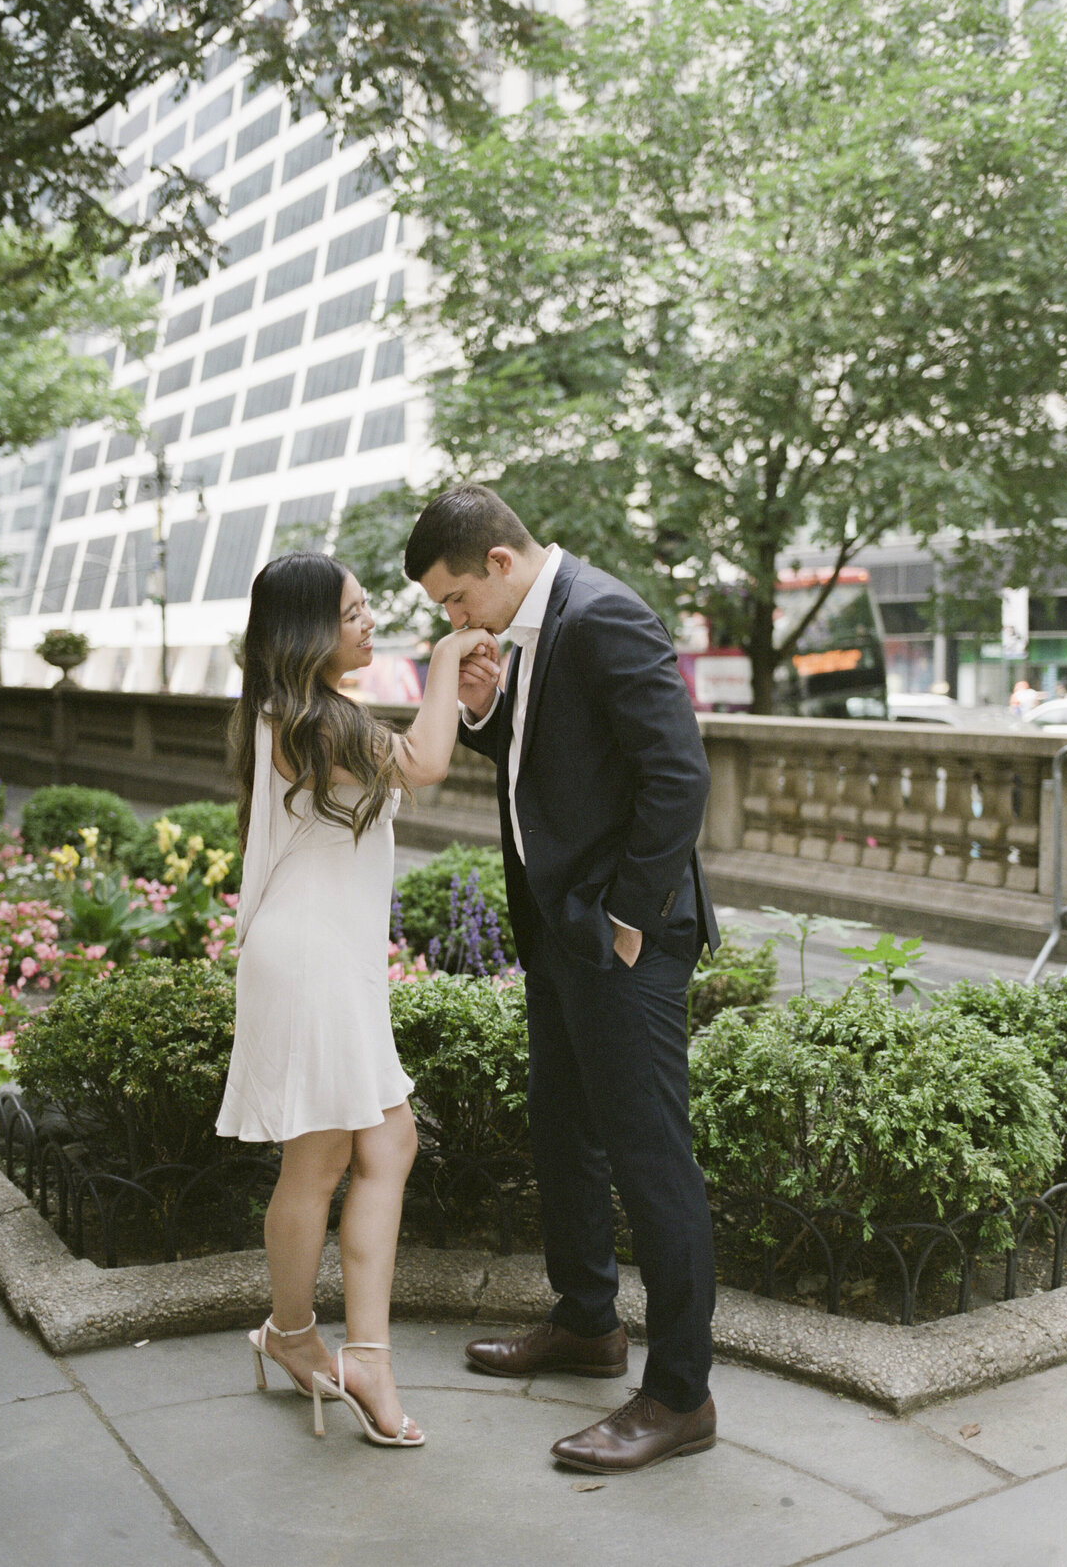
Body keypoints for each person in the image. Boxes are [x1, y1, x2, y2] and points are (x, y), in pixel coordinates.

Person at [403, 486, 721, 1475]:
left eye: (454, 599)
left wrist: (626, 919)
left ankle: (679, 1393)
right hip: (559, 936)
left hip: (622, 939)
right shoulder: (538, 627)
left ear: (499, 563)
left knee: (650, 1158)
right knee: (562, 1130)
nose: (452, 621)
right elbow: (548, 763)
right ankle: (588, 1323)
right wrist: (488, 710)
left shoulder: (606, 614)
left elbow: (679, 774)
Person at [216, 551, 496, 1449]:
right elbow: (424, 764)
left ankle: (360, 1351)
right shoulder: (311, 718)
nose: (371, 621)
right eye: (354, 611)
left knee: (385, 1142)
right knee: (323, 1159)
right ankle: (297, 1335)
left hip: (326, 959)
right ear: (307, 630)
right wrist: (450, 658)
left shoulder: (298, 714)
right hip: (310, 963)